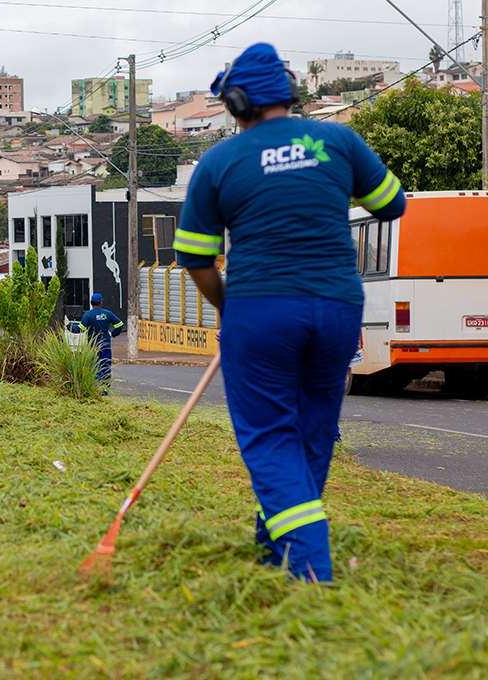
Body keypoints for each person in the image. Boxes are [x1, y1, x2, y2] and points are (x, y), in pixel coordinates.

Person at [174, 43, 406, 583]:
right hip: (337, 308)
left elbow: (195, 258)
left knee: (269, 436)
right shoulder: (338, 140)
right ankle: (270, 547)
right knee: (313, 432)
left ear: (234, 102)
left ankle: (309, 563)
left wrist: (232, 310)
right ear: (289, 92)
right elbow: (392, 204)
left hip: (260, 312)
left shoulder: (219, 162)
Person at [69, 293, 124, 394]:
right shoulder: (107, 313)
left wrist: (68, 325)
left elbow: (79, 329)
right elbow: (120, 324)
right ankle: (106, 389)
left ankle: (99, 389)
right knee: (106, 366)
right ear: (100, 303)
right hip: (106, 344)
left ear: (91, 303)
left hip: (93, 345)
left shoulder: (88, 315)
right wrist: (113, 333)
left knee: (95, 367)